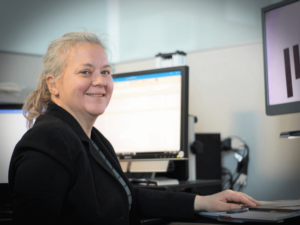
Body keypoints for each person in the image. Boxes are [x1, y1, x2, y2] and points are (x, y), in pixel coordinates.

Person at [8, 32, 261, 224]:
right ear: (53, 85)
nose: (100, 81)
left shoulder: (93, 138)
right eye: (85, 72)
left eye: (105, 72)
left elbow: (126, 196)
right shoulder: (48, 139)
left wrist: (203, 201)